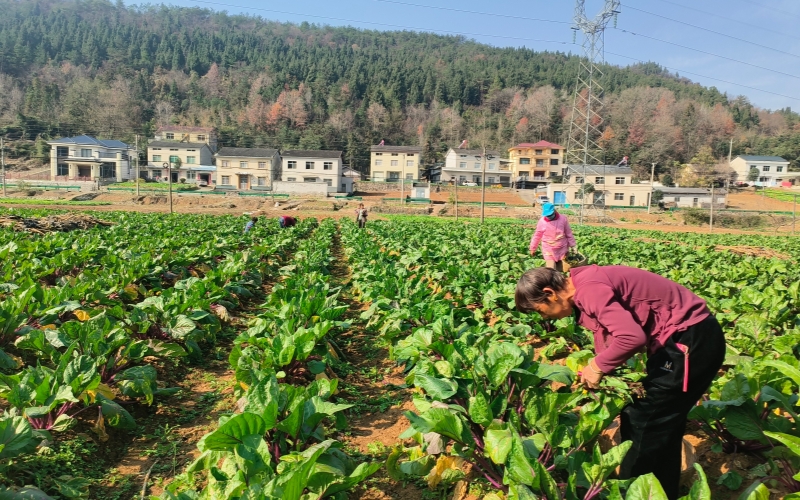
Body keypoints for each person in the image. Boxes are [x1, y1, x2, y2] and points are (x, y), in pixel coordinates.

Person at [514, 265, 725, 499]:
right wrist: (604, 365)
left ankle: (634, 491)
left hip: (690, 341)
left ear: (550, 293)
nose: (544, 317)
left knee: (644, 418)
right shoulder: (583, 282)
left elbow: (632, 338)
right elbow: (613, 331)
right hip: (687, 338)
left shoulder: (588, 290)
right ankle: (661, 492)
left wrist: (597, 366)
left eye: (540, 310)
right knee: (662, 421)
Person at [529, 202, 576, 271]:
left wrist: (573, 245)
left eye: (550, 214)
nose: (549, 216)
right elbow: (537, 235)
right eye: (547, 215)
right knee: (551, 269)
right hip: (548, 249)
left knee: (564, 269)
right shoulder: (542, 222)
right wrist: (533, 248)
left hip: (562, 248)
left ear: (554, 211)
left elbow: (568, 232)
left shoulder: (563, 219)